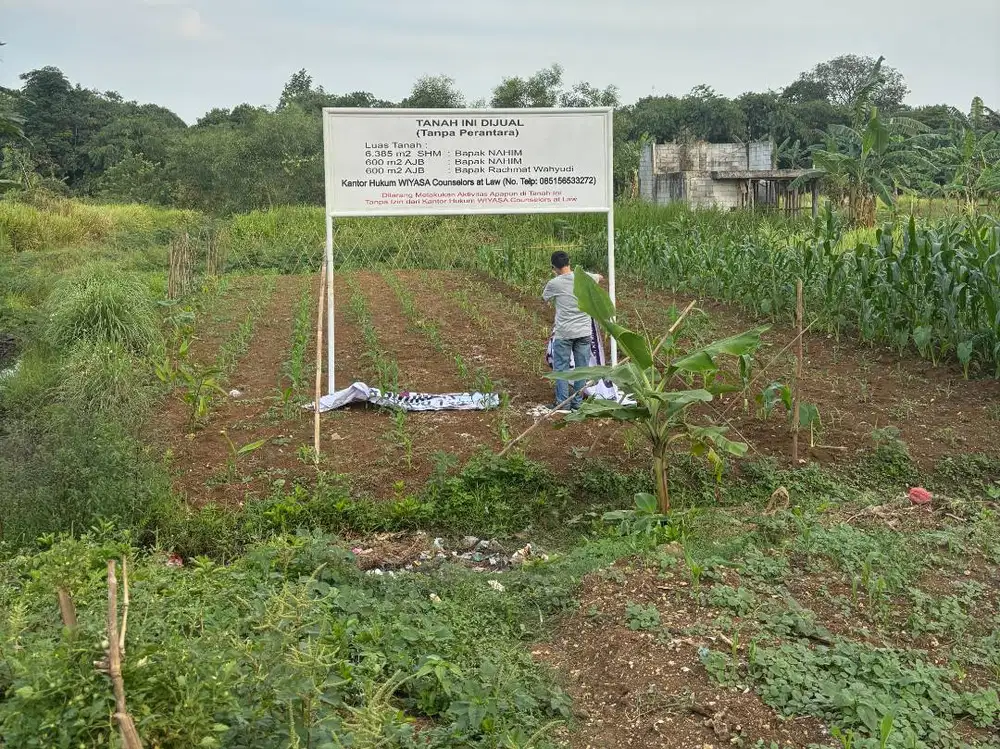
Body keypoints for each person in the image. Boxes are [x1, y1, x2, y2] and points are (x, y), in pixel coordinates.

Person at [542, 251, 603, 411]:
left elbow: (545, 298)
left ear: (554, 267)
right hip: (584, 331)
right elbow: (599, 277)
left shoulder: (554, 283)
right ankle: (577, 403)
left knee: (561, 369)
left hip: (564, 333)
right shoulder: (584, 277)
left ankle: (563, 402)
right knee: (581, 368)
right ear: (569, 263)